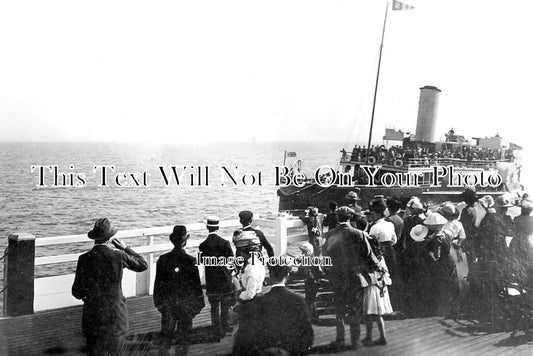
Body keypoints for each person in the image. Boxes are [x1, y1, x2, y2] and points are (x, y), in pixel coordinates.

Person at [72, 218, 148, 356]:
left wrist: (88, 297)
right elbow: (142, 264)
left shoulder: (84, 258)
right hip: (115, 315)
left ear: (94, 238)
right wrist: (125, 248)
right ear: (110, 238)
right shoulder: (118, 255)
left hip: (93, 317)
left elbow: (76, 291)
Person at [322, 206, 378, 350]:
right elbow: (368, 255)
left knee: (339, 309)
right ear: (350, 218)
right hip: (355, 276)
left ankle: (340, 339)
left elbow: (325, 253)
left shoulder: (331, 234)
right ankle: (355, 341)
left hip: (337, 276)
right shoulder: (359, 234)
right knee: (355, 309)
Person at [235, 262, 314, 356]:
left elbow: (249, 335)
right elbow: (307, 333)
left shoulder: (258, 301)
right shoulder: (298, 300)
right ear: (287, 276)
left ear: (271, 275)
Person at [153, 225, 205, 352]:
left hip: (168, 306)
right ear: (185, 240)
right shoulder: (191, 261)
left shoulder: (163, 259)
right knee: (183, 342)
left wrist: (159, 304)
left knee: (165, 341)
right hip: (185, 307)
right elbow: (196, 287)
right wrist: (197, 307)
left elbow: (158, 285)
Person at [199, 216, 234, 342]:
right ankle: (225, 327)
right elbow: (232, 261)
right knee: (225, 306)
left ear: (207, 227)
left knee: (214, 308)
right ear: (218, 227)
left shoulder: (202, 245)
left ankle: (216, 330)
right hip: (224, 280)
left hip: (212, 281)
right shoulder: (225, 243)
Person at [439, 203, 468, 317]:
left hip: (447, 250)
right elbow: (463, 237)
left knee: (448, 276)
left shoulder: (442, 224)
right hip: (458, 250)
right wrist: (458, 244)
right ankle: (457, 304)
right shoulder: (458, 223)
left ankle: (448, 304)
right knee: (460, 276)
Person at [361, 238, 393, 346]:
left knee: (369, 313)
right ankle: (381, 336)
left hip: (372, 286)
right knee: (378, 314)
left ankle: (370, 337)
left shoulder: (368, 257)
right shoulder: (380, 256)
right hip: (381, 286)